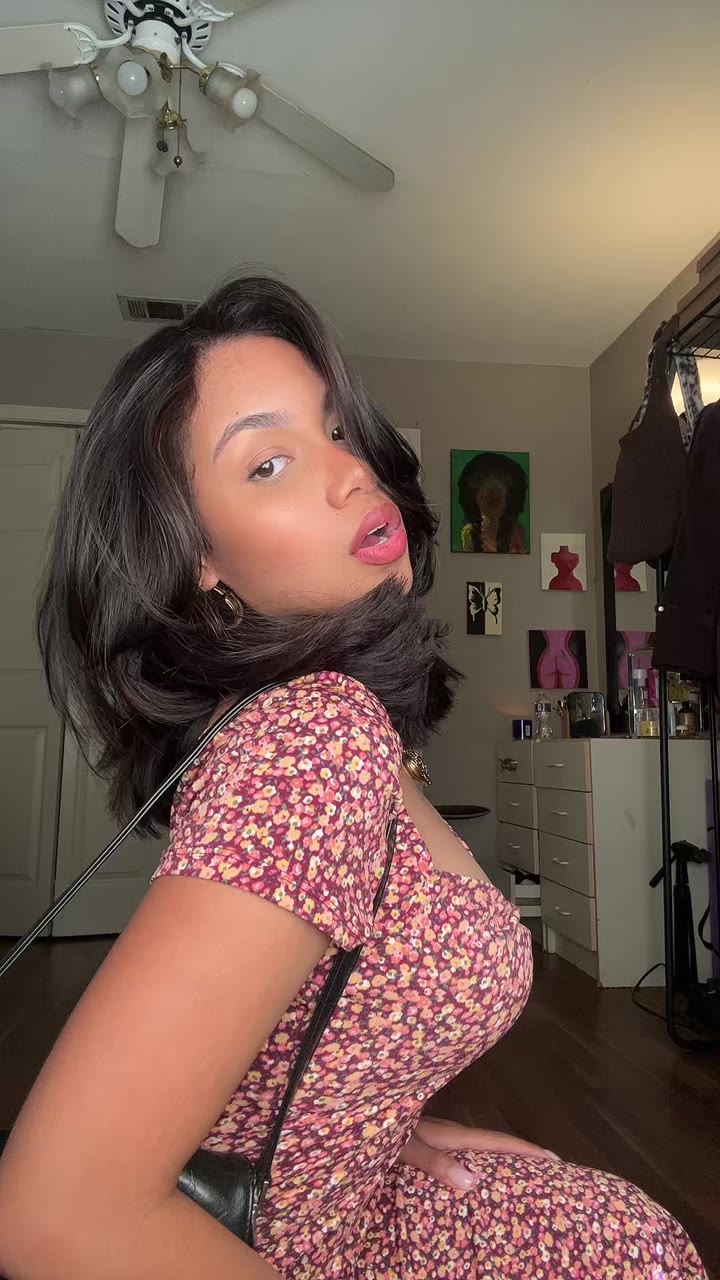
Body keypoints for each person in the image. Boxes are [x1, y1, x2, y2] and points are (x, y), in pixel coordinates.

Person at [0, 277, 706, 1280]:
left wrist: (372, 1128)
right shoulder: (313, 736)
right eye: (269, 462)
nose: (348, 473)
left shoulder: (337, 721)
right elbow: (56, 1216)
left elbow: (298, 1036)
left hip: (357, 1198)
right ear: (200, 560)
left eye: (336, 430)